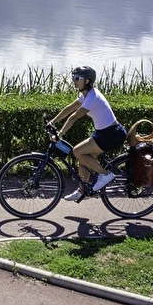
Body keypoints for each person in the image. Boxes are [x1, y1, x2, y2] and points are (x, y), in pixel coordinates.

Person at [47, 65, 127, 202]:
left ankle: (105, 174)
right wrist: (52, 122)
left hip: (112, 134)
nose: (74, 81)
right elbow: (69, 109)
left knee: (77, 151)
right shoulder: (85, 95)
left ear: (87, 81)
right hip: (103, 132)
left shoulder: (92, 97)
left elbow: (74, 116)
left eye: (77, 78)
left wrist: (59, 134)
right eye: (73, 77)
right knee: (83, 160)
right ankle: (81, 191)